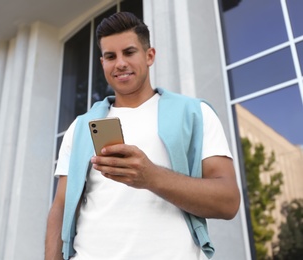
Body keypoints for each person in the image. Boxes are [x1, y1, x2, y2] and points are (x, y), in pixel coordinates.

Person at [45, 11, 240, 260]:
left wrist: (150, 176)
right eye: (110, 56)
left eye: (129, 52)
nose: (120, 63)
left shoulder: (195, 113)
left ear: (149, 56)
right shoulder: (81, 127)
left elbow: (228, 201)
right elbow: (60, 207)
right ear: (102, 63)